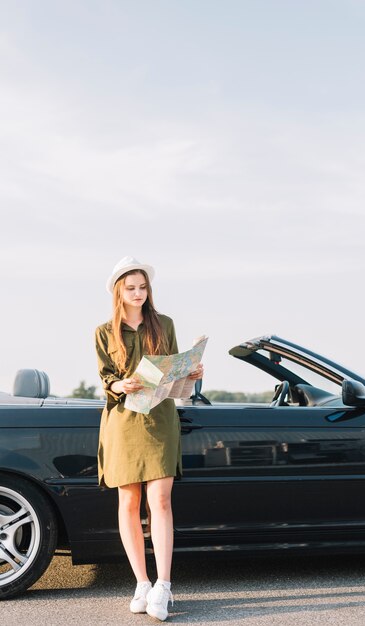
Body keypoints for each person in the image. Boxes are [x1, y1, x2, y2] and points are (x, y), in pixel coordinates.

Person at [95, 256, 203, 621]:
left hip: (159, 419)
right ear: (118, 292)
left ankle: (164, 585)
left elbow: (175, 380)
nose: (138, 293)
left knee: (160, 499)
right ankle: (141, 582)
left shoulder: (164, 324)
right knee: (129, 502)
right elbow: (106, 379)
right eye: (131, 288)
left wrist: (192, 371)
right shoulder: (103, 332)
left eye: (143, 287)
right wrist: (118, 384)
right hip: (123, 420)